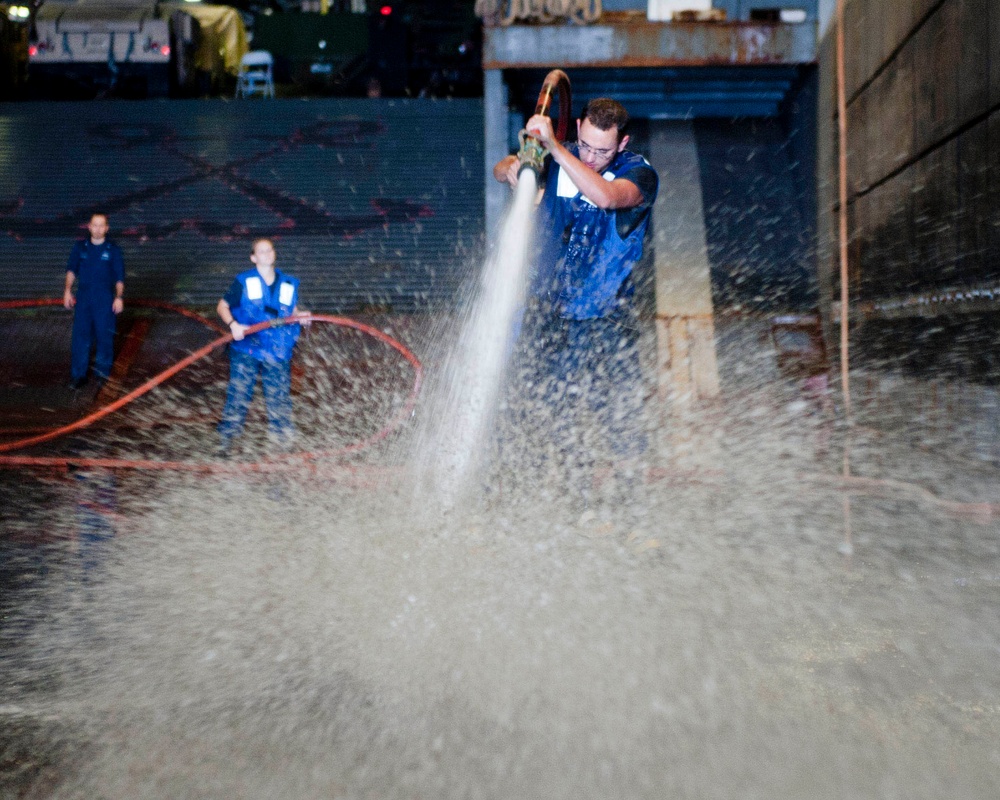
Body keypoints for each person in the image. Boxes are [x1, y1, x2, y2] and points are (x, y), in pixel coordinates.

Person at [493, 98, 659, 505]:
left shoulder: (638, 174)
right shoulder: (564, 157)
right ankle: (571, 503)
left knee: (618, 415)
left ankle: (630, 510)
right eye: (584, 144)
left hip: (608, 317)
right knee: (551, 409)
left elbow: (604, 197)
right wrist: (515, 169)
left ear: (622, 144)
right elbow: (502, 166)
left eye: (602, 150)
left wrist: (557, 149)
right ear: (579, 127)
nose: (592, 155)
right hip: (553, 313)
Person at [216, 238, 306, 454]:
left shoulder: (287, 283)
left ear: (274, 254)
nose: (266, 254)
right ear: (253, 258)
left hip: (277, 349)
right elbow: (222, 306)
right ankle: (226, 440)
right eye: (261, 251)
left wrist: (301, 315)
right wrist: (233, 325)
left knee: (279, 396)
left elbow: (290, 310)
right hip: (248, 347)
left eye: (269, 250)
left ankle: (282, 441)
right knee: (239, 393)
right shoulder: (244, 281)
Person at [63, 213, 125, 389]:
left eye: (101, 226)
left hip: (104, 300)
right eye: (94, 225)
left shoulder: (113, 250)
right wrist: (67, 291)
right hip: (83, 299)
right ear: (89, 227)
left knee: (104, 337)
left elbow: (119, 277)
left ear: (106, 228)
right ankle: (78, 376)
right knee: (80, 338)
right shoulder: (80, 247)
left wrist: (119, 297)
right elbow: (71, 270)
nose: (97, 229)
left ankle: (102, 375)